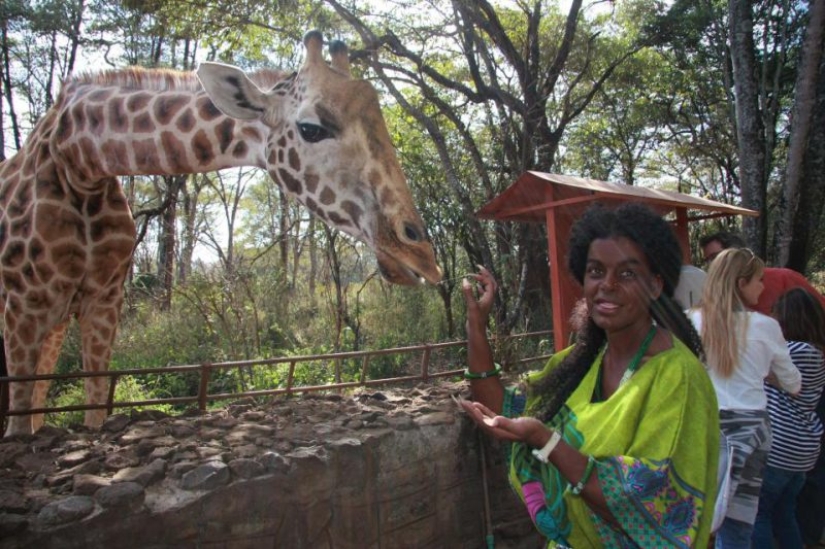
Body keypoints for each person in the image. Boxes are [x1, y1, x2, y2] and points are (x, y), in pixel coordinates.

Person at [459, 202, 720, 548]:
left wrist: (546, 441)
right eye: (596, 271)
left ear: (655, 285)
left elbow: (650, 509)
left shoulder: (678, 379)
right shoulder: (583, 363)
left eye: (627, 274)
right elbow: (506, 410)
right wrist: (476, 323)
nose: (606, 285)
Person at [687, 247, 802, 549]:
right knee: (739, 523)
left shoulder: (689, 321)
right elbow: (794, 384)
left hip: (705, 427)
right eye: (758, 280)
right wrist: (765, 373)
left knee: (692, 515)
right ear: (740, 283)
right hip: (751, 431)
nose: (763, 287)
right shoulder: (767, 327)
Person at [751, 289, 825, 549]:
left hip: (780, 449)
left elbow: (759, 367)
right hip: (801, 452)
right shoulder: (816, 352)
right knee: (784, 513)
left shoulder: (797, 351)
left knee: (758, 516)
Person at [699, 231, 825, 315]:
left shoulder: (784, 278)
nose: (711, 264)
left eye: (715, 257)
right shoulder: (716, 297)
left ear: (737, 254)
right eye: (708, 260)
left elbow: (820, 310)